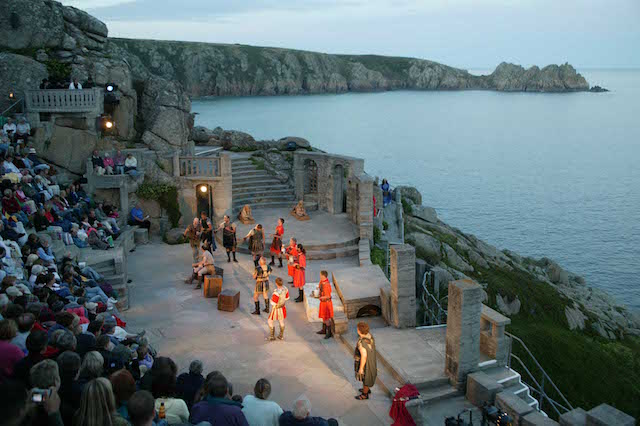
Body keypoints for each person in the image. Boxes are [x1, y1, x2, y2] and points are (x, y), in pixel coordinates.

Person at [354, 322, 377, 400]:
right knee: (366, 377)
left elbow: (364, 356)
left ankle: (365, 394)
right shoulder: (370, 336)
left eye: (357, 329)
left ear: (359, 331)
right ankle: (366, 389)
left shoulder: (361, 343)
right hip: (371, 360)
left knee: (365, 377)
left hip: (366, 363)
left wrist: (361, 368)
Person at [267, 277, 289, 341]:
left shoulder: (276, 292)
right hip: (283, 307)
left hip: (276, 309)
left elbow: (273, 303)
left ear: (276, 283)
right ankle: (281, 336)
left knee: (270, 321)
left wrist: (271, 300)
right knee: (281, 321)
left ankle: (272, 336)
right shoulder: (285, 289)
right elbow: (287, 298)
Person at [317, 271, 334, 340]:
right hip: (323, 302)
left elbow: (328, 296)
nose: (320, 276)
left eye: (320, 275)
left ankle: (329, 333)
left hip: (326, 303)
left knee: (327, 319)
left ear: (323, 276)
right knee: (323, 317)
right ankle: (323, 330)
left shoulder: (326, 285)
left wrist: (321, 297)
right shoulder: (322, 282)